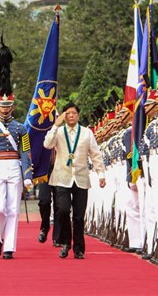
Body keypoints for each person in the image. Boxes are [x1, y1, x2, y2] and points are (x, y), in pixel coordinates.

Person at [0, 38, 33, 260]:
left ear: (13, 107)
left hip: (14, 166)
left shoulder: (21, 128)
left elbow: (26, 152)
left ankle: (9, 246)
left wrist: (28, 174)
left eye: (8, 106)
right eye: (2, 105)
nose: (5, 109)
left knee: (12, 209)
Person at [44, 102, 106, 259]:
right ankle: (65, 242)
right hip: (61, 177)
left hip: (80, 177)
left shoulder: (86, 133)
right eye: (68, 113)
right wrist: (55, 126)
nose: (71, 115)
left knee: (78, 216)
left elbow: (95, 154)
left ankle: (79, 248)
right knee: (63, 210)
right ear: (64, 116)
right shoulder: (58, 132)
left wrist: (101, 174)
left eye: (73, 113)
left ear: (78, 115)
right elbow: (47, 145)